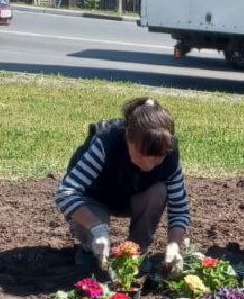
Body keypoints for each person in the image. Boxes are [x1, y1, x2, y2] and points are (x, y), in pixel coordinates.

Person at [55, 98, 192, 276]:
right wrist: (97, 228)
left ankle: (137, 252)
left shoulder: (170, 154)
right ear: (128, 138)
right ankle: (90, 248)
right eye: (143, 154)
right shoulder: (106, 142)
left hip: (135, 197)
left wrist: (174, 245)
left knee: (159, 190)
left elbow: (179, 209)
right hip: (95, 198)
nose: (150, 165)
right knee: (95, 240)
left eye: (158, 157)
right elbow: (66, 193)